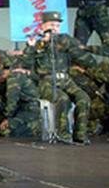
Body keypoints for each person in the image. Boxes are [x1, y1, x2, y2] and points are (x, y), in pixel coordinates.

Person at [19, 10, 95, 144]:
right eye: (51, 25)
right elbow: (26, 64)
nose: (55, 28)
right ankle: (63, 134)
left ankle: (80, 135)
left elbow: (82, 55)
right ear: (43, 27)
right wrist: (31, 47)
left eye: (57, 26)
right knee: (63, 99)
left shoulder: (64, 41)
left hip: (66, 80)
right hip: (46, 81)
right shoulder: (37, 45)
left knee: (84, 98)